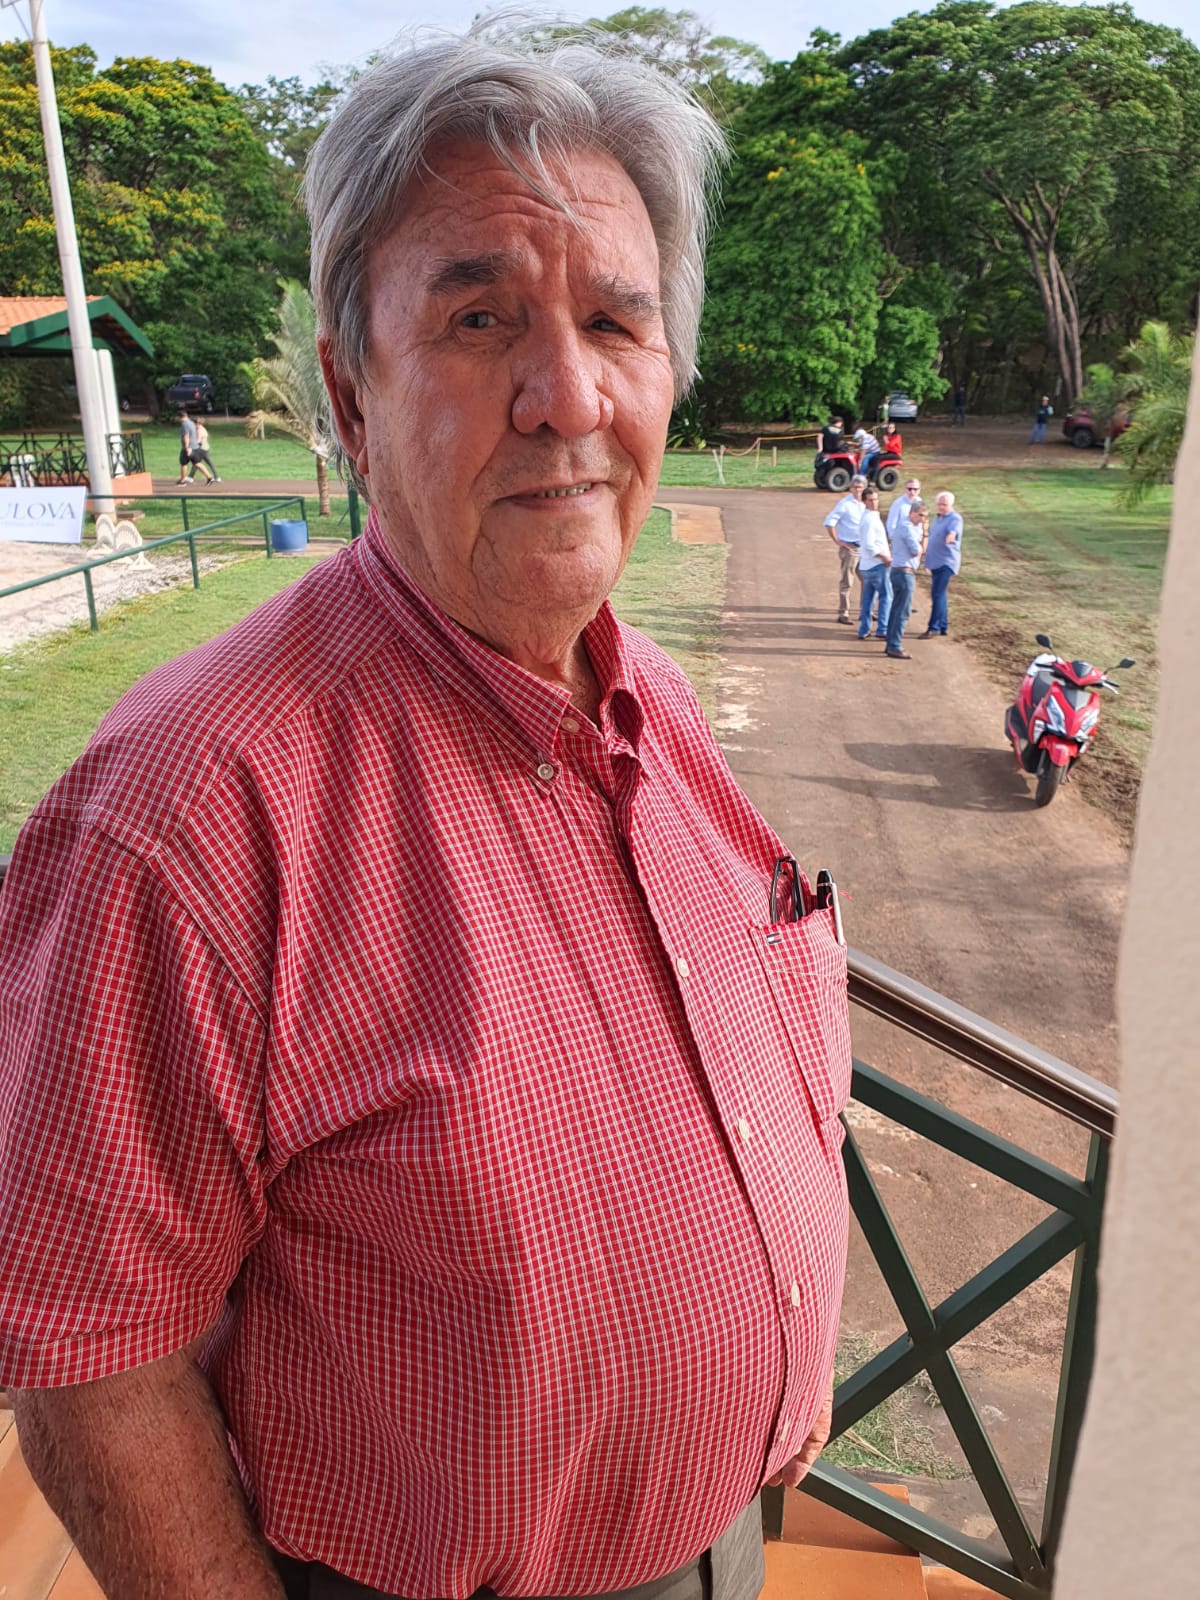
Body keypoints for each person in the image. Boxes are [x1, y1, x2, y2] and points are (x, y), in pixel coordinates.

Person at [0, 28, 851, 1600]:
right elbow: (91, 1360)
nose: (568, 396)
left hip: (727, 1534)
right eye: (478, 321)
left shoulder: (651, 692)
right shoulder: (184, 815)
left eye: (617, 321)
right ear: (350, 393)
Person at [824, 472, 868, 624]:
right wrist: (838, 541)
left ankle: (865, 611)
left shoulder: (867, 503)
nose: (857, 490)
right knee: (847, 581)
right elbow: (829, 522)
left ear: (865, 488)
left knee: (868, 580)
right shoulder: (845, 504)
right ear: (850, 488)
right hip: (850, 548)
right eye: (855, 487)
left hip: (865, 548)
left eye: (860, 487)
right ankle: (844, 613)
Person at [885, 498, 926, 659]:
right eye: (920, 515)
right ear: (912, 513)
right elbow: (917, 551)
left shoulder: (911, 526)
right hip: (903, 573)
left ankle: (891, 643)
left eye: (925, 516)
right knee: (902, 611)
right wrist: (926, 536)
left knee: (896, 609)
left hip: (900, 571)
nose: (922, 519)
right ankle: (894, 645)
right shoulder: (906, 528)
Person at [921, 490, 963, 637]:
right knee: (940, 594)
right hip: (935, 561)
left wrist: (951, 536)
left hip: (947, 562)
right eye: (939, 504)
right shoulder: (937, 518)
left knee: (937, 594)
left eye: (944, 505)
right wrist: (927, 561)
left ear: (951, 505)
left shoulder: (955, 519)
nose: (941, 507)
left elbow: (954, 531)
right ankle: (943, 626)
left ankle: (933, 627)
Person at [856, 487, 891, 640]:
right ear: (864, 501)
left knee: (868, 599)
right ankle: (883, 628)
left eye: (876, 499)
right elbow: (869, 545)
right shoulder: (869, 520)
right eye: (870, 500)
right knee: (886, 596)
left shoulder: (870, 517)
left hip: (867, 565)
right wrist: (884, 557)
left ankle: (864, 629)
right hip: (876, 564)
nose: (874, 503)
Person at [886, 476, 922, 542]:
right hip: (902, 542)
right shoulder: (898, 504)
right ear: (905, 489)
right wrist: (896, 541)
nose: (912, 492)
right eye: (909, 489)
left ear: (919, 490)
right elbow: (891, 525)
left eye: (915, 489)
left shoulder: (920, 502)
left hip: (917, 541)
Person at [186, 419, 221, 484]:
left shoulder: (200, 430)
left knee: (197, 462)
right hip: (204, 448)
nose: (194, 426)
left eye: (195, 424)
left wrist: (191, 446)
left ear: (198, 424)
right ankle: (216, 477)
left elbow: (198, 441)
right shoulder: (202, 429)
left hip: (202, 449)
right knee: (199, 463)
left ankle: (190, 477)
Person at [176, 408, 198, 484]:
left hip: (188, 447)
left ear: (180, 417)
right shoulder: (192, 423)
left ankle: (182, 480)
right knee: (197, 463)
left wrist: (186, 447)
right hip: (194, 446)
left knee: (183, 463)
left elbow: (186, 436)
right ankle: (209, 477)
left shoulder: (184, 424)